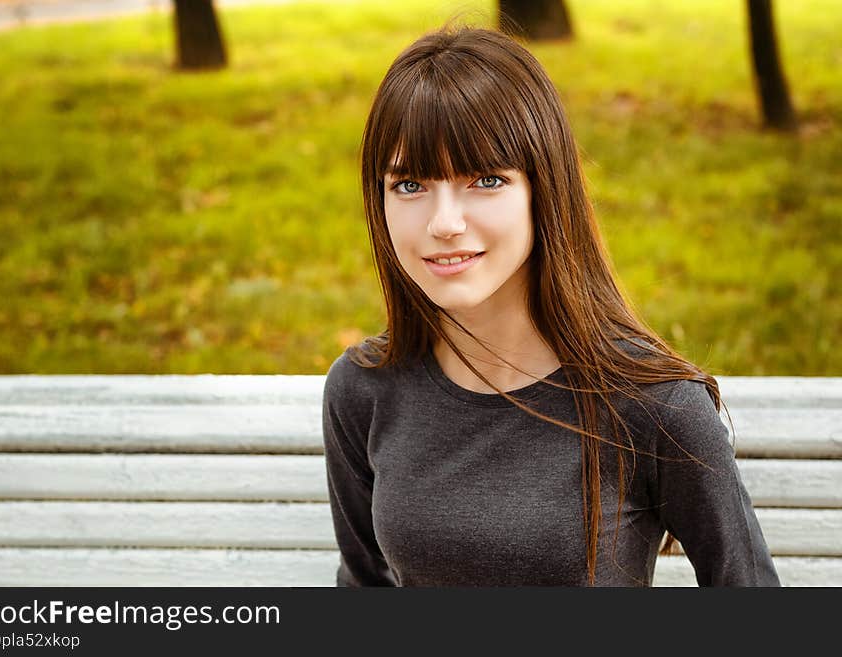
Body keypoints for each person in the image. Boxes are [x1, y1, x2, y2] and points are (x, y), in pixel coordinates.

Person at [321, 25, 780, 586]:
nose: (444, 223)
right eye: (410, 185)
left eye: (485, 180)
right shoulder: (364, 390)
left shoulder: (655, 406)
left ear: (545, 189)